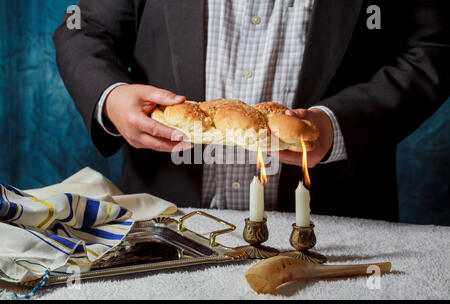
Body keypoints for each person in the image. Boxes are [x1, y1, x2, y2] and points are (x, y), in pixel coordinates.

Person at [53, 1, 449, 221]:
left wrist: (336, 126)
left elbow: (433, 48)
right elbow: (83, 28)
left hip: (334, 226)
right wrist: (112, 95)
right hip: (166, 224)